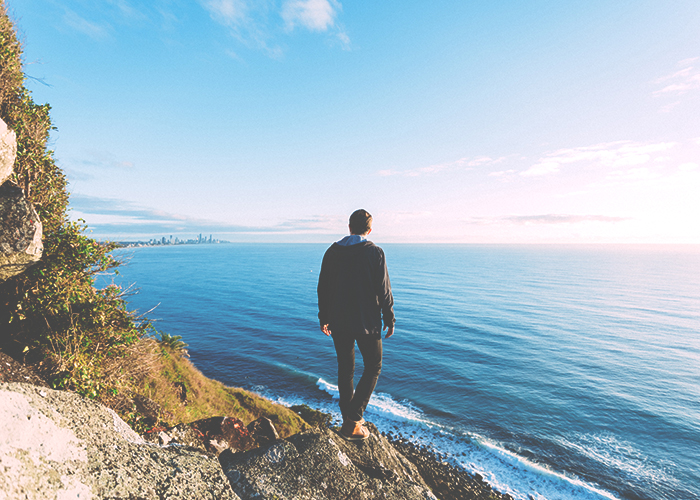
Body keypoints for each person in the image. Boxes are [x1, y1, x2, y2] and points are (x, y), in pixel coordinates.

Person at [317, 209, 395, 441]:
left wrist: (324, 317)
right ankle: (353, 418)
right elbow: (384, 290)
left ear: (349, 227)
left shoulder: (332, 252)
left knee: (346, 369)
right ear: (369, 230)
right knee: (373, 367)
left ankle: (349, 420)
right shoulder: (374, 252)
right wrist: (389, 318)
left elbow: (323, 287)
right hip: (366, 322)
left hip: (339, 321)